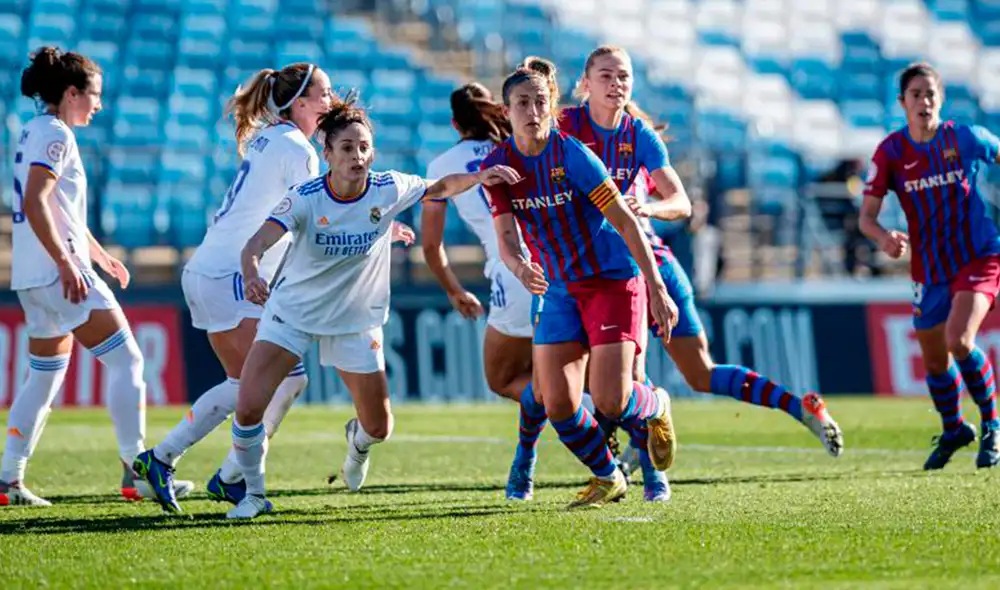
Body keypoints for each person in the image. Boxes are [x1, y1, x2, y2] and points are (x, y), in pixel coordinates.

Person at [155, 96, 518, 519]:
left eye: (364, 147)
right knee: (251, 405)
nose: (357, 156)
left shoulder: (388, 188)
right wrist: (252, 274)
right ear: (326, 154)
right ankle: (253, 493)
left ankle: (358, 443)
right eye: (346, 148)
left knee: (379, 427)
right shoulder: (305, 197)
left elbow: (439, 187)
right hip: (292, 313)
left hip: (354, 321)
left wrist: (481, 175)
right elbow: (256, 244)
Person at [548, 47, 844, 469]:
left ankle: (799, 408)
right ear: (585, 84)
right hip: (599, 272)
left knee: (689, 374)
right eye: (606, 76)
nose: (616, 84)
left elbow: (682, 202)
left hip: (646, 268)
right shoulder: (566, 128)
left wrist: (647, 209)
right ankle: (638, 449)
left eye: (623, 77)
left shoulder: (638, 138)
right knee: (628, 373)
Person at [132, 63, 338, 512]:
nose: (332, 100)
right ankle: (192, 466)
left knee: (246, 383)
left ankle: (191, 466)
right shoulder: (297, 148)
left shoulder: (271, 137)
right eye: (323, 93)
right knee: (281, 381)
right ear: (299, 103)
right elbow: (308, 220)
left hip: (209, 269)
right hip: (233, 275)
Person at [0, 46, 192, 506]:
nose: (99, 105)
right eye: (94, 95)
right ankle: (137, 472)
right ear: (71, 93)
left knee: (43, 377)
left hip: (31, 277)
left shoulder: (32, 129)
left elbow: (58, 208)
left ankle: (8, 478)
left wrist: (100, 255)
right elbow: (35, 202)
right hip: (59, 273)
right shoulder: (57, 135)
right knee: (128, 362)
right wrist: (69, 263)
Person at [483, 63, 679, 508]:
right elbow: (507, 241)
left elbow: (627, 223)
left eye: (540, 102)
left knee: (612, 401)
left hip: (611, 281)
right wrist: (518, 268)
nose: (533, 111)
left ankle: (656, 405)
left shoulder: (572, 155)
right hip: (558, 289)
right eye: (522, 103)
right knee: (559, 407)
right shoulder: (497, 166)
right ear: (505, 110)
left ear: (551, 106)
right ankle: (608, 477)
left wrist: (656, 287)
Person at [860, 62, 1000, 470]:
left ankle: (992, 425)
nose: (925, 101)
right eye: (916, 94)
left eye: (931, 94)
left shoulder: (967, 138)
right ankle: (955, 428)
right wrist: (884, 236)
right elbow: (866, 217)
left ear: (941, 99)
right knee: (935, 358)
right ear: (902, 102)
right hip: (929, 267)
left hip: (978, 256)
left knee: (959, 340)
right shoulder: (890, 152)